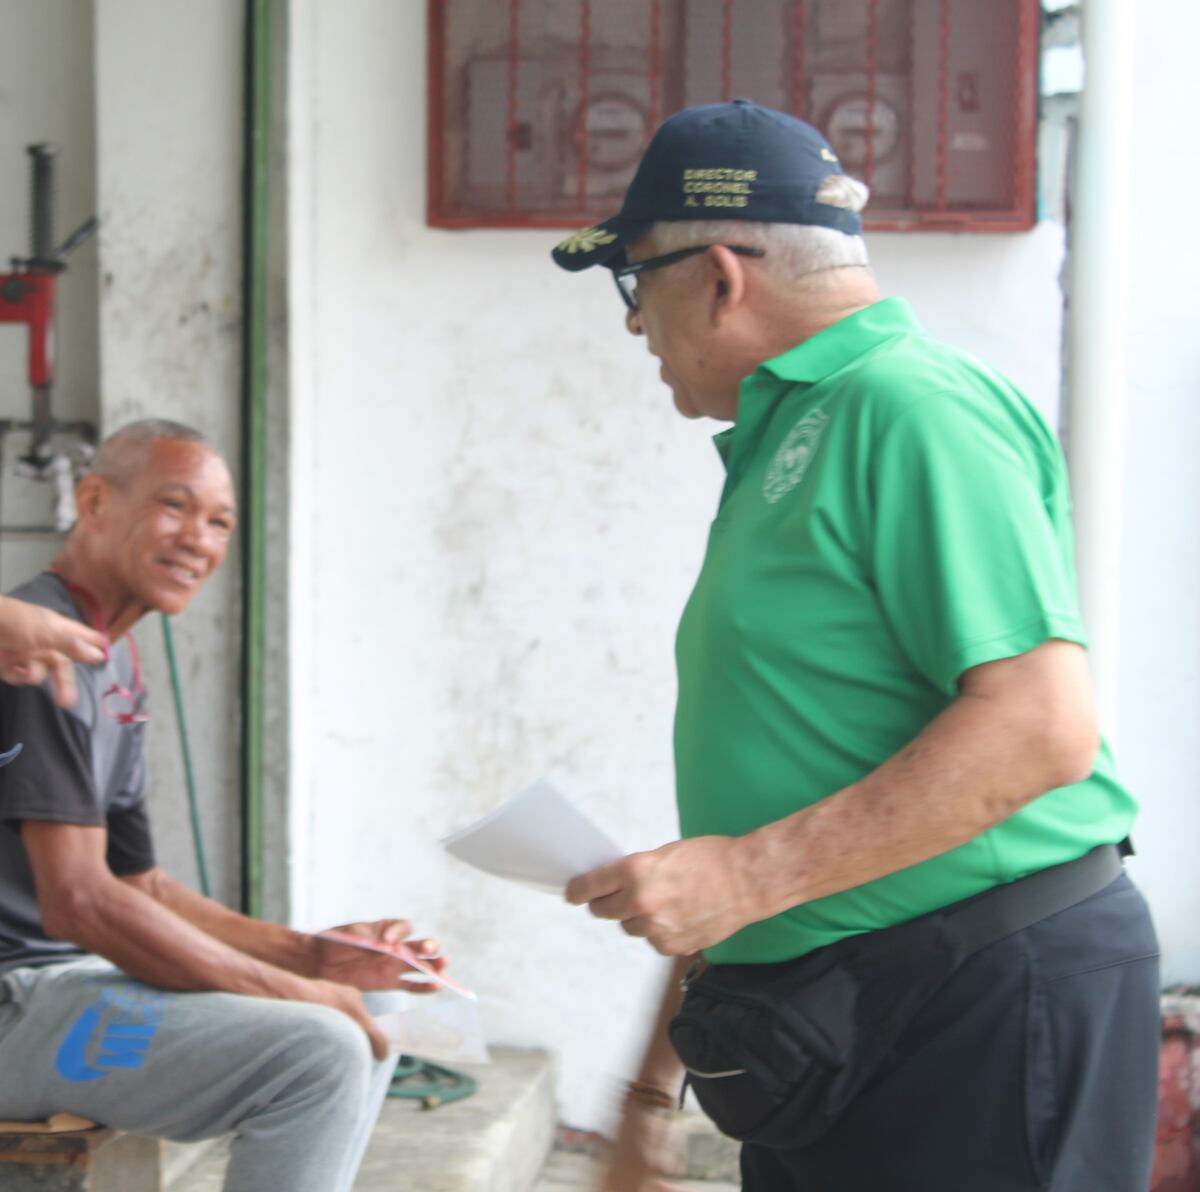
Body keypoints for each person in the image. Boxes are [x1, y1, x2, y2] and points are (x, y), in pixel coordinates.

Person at [552, 100, 1159, 1191]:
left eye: (637, 282)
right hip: (842, 1020)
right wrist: (650, 1088)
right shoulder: (796, 431)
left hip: (979, 998)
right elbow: (771, 796)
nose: (636, 323)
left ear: (723, 276)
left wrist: (746, 873)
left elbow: (1042, 723)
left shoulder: (909, 406)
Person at [0, 419, 445, 1192]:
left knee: (370, 1008)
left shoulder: (120, 664)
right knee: (324, 1047)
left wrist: (315, 955)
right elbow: (79, 902)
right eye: (175, 506)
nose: (198, 540)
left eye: (220, 522)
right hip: (17, 1005)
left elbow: (139, 885)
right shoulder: (38, 650)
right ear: (95, 500)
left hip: (67, 986)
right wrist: (300, 991)